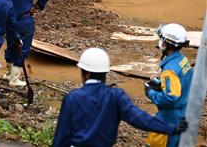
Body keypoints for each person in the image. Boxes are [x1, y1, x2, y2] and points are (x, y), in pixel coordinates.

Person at [52, 48, 187, 147]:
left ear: (86, 73)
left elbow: (61, 136)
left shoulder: (72, 98)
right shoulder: (116, 96)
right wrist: (171, 128)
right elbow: (140, 119)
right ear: (105, 72)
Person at [3, 0, 51, 87]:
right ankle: (14, 79)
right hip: (24, 20)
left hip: (9, 22)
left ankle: (8, 73)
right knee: (23, 48)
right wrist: (36, 7)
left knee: (11, 45)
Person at [145, 23, 193, 147]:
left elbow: (171, 97)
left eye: (162, 39)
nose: (160, 41)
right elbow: (184, 82)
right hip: (183, 113)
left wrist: (151, 93)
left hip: (169, 117)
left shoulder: (169, 70)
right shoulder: (183, 60)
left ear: (168, 43)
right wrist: (162, 83)